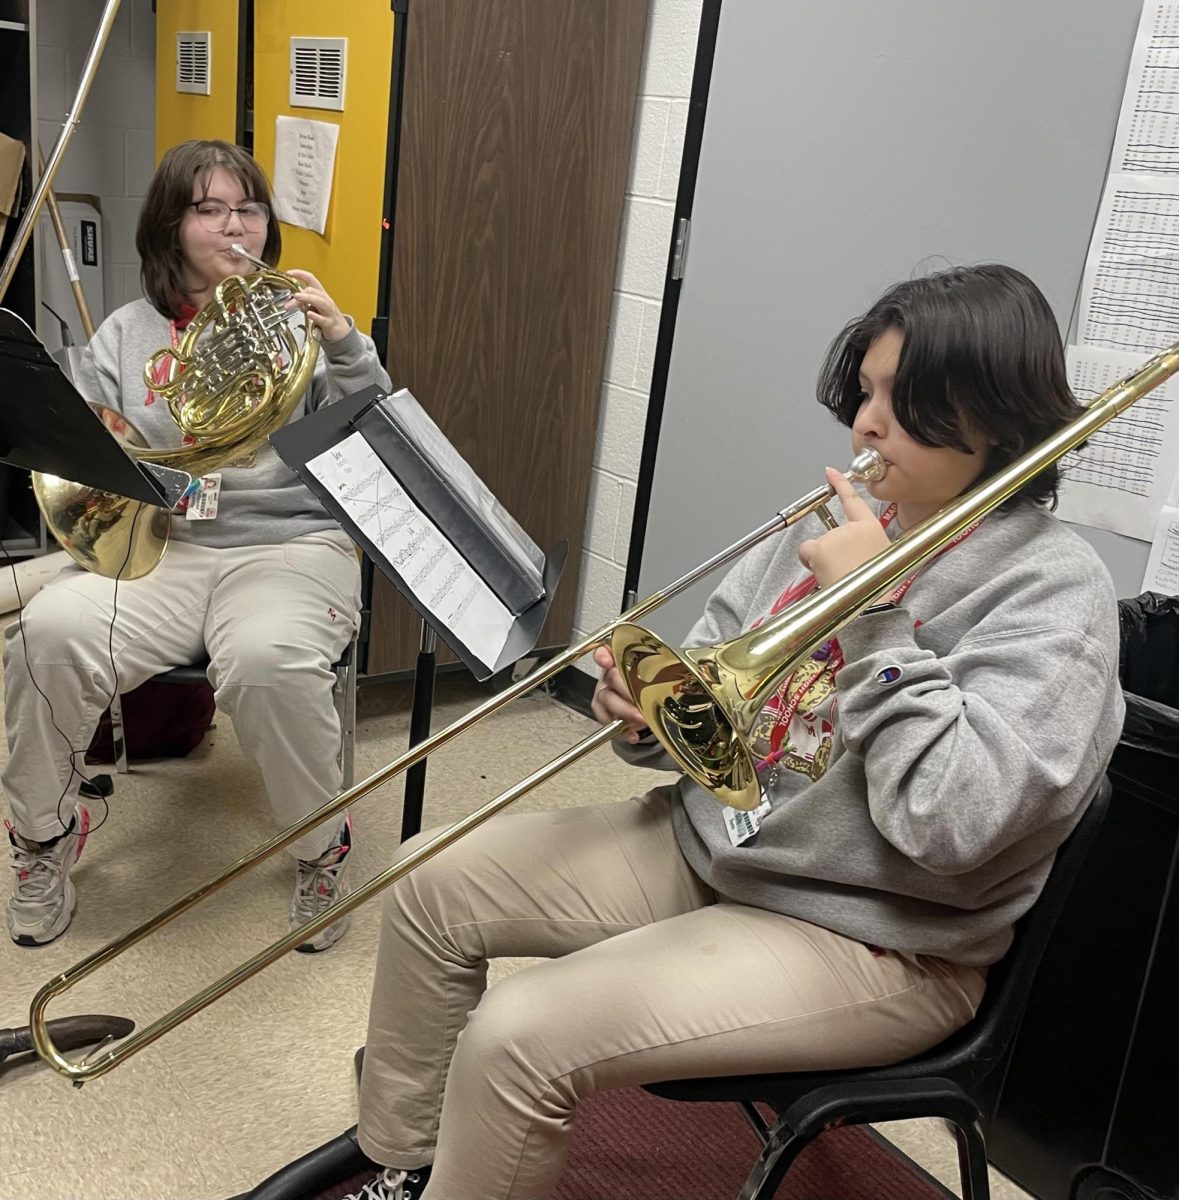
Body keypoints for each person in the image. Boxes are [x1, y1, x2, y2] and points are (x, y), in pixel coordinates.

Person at [249, 263, 1126, 1200]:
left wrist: (870, 614)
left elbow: (956, 825)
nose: (866, 424)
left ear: (994, 419)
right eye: (866, 391)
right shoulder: (842, 518)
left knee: (518, 1038)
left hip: (873, 935)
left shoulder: (1052, 589)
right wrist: (642, 710)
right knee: (429, 882)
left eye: (904, 404)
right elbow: (710, 687)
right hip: (719, 849)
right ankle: (408, 1163)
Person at [4, 139, 391, 950]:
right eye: (209, 208)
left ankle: (322, 847)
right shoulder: (124, 333)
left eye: (247, 207)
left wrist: (348, 343)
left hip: (289, 543)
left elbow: (374, 436)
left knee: (268, 660)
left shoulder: (296, 322)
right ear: (170, 226)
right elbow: (88, 459)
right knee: (48, 633)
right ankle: (43, 835)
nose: (232, 225)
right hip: (165, 547)